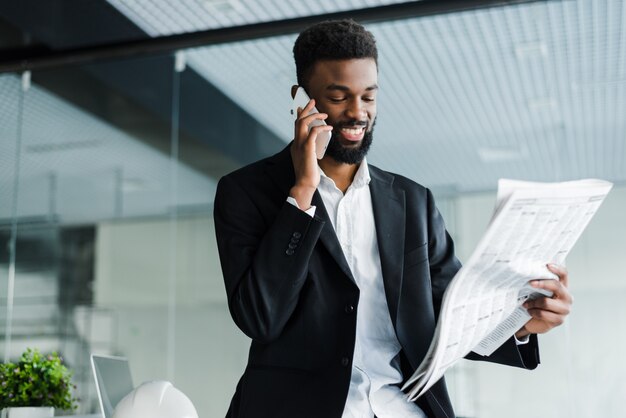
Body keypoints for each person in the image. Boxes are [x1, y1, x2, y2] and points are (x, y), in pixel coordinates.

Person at [213, 19, 572, 418]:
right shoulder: (246, 191)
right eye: (338, 97)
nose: (357, 113)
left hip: (402, 407)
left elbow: (452, 316)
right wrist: (302, 193)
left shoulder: (413, 201)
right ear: (301, 100)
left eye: (368, 97)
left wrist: (521, 325)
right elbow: (259, 317)